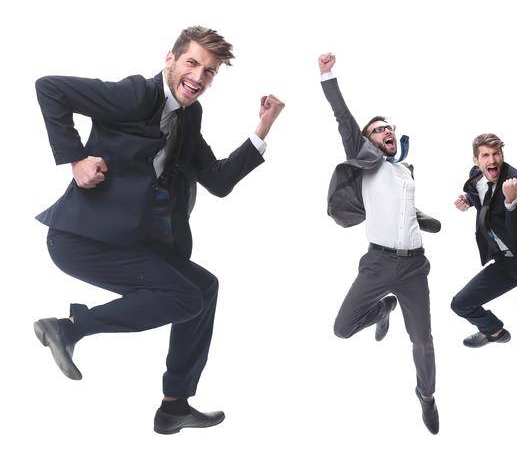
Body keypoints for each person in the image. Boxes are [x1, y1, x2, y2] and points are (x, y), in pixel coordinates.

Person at [32, 26, 284, 434]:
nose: (199, 77)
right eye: (192, 63)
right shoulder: (134, 95)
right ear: (170, 59)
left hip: (130, 240)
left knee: (204, 288)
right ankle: (68, 328)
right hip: (81, 239)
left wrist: (263, 128)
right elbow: (50, 89)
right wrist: (76, 159)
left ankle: (174, 406)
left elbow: (217, 181)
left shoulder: (189, 116)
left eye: (210, 71)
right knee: (184, 296)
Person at [319, 52, 443, 434]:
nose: (386, 132)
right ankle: (383, 308)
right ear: (368, 140)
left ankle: (426, 397)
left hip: (414, 267)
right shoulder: (364, 157)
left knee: (422, 340)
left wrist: (423, 217)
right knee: (342, 327)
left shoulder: (405, 170)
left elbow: (401, 207)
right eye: (378, 129)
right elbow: (344, 119)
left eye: (389, 128)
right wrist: (328, 76)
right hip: (377, 264)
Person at [449, 133, 517, 379]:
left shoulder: (516, 181)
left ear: (502, 155)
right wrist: (468, 200)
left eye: (496, 154)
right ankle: (494, 332)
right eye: (486, 155)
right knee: (460, 304)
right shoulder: (476, 176)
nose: (492, 159)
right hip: (505, 262)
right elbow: (482, 194)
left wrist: (511, 202)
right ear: (476, 160)